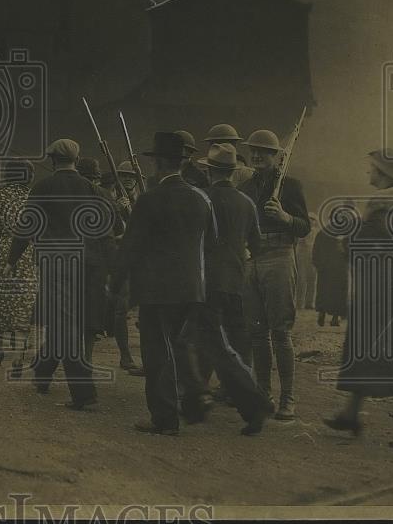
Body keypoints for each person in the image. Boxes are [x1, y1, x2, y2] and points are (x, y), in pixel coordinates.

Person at [325, 149, 393, 450]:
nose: (368, 174)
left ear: (384, 174)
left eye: (372, 169)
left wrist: (346, 234)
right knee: (366, 349)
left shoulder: (382, 209)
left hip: (384, 292)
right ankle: (350, 413)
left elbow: (361, 248)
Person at [118, 132, 212, 435]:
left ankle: (165, 418)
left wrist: (117, 284)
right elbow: (213, 242)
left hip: (157, 290)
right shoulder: (202, 198)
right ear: (183, 163)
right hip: (193, 288)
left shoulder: (149, 199)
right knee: (182, 346)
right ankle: (197, 393)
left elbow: (130, 247)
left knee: (157, 353)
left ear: (158, 162)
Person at [9, 138, 99, 411]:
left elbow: (26, 226)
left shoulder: (43, 187)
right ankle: (42, 373)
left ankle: (83, 393)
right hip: (83, 265)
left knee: (64, 324)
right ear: (76, 158)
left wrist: (12, 259)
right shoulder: (91, 189)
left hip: (54, 264)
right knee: (63, 320)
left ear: (52, 160)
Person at [196, 143, 276, 435]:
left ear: (210, 171)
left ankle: (254, 403)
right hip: (236, 282)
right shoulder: (246, 203)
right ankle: (196, 395)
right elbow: (256, 247)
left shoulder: (202, 198)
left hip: (205, 281)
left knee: (212, 344)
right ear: (232, 171)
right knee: (221, 341)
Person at [238, 129, 311, 421]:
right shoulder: (245, 188)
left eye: (264, 151)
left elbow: (304, 226)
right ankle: (262, 394)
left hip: (280, 256)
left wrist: (284, 218)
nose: (257, 155)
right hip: (251, 260)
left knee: (280, 332)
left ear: (276, 156)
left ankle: (288, 398)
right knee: (257, 333)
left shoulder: (290, 187)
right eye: (253, 150)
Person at [0, 159, 37, 375]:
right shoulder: (33, 197)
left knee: (1, 299)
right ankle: (18, 355)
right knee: (23, 301)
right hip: (27, 253)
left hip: (2, 252)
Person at [101, 164, 144, 375]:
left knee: (146, 312)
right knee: (121, 308)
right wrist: (118, 209)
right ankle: (125, 355)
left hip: (143, 259)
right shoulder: (111, 201)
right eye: (123, 176)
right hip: (123, 258)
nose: (127, 180)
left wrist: (133, 210)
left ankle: (147, 357)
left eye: (131, 176)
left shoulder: (144, 197)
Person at [75, 158, 116, 366]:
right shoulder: (105, 196)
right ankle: (87, 359)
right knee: (91, 316)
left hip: (70, 262)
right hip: (96, 264)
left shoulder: (69, 195)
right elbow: (112, 233)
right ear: (97, 178)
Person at [312, 213, 348, 326]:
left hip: (328, 268)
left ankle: (324, 315)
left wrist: (318, 264)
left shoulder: (323, 232)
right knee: (337, 293)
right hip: (336, 268)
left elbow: (316, 250)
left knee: (325, 291)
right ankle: (333, 317)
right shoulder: (342, 234)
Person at [294, 214, 319, 312]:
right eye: (310, 219)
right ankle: (299, 303)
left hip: (312, 257)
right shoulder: (302, 230)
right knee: (301, 280)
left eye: (313, 220)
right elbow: (300, 243)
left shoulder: (317, 232)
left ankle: (309, 303)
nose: (312, 221)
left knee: (312, 280)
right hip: (302, 257)